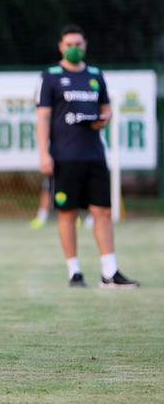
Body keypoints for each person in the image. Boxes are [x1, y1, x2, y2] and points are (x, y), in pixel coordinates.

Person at [35, 24, 139, 288]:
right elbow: (43, 117)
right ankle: (74, 272)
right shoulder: (50, 76)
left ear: (85, 45)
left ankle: (109, 272)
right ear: (61, 46)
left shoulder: (95, 74)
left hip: (94, 154)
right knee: (68, 213)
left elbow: (106, 107)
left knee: (102, 211)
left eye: (78, 44)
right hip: (64, 156)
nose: (74, 48)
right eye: (69, 44)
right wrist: (44, 153)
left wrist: (103, 119)